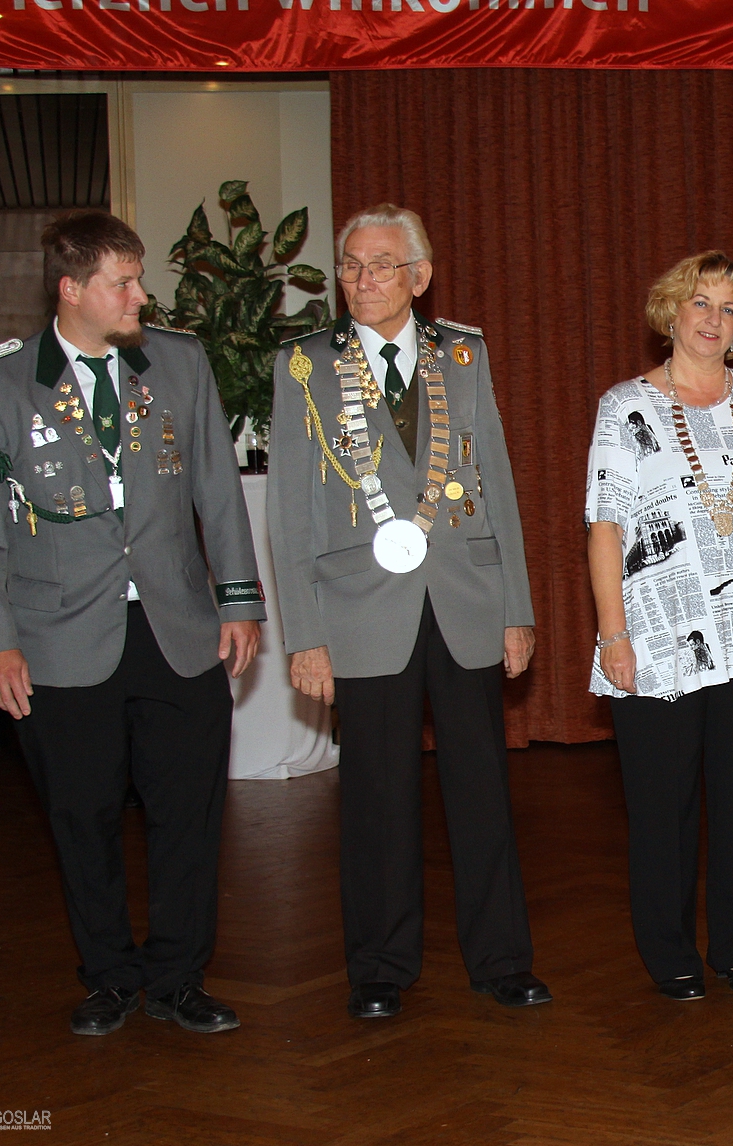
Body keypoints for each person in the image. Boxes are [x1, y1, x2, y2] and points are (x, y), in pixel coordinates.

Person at [0, 211, 266, 1035]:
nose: (139, 295)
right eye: (122, 282)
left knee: (187, 814)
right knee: (81, 815)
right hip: (56, 638)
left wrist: (238, 600)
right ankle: (109, 978)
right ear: (71, 288)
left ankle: (179, 977)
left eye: (138, 278)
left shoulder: (180, 362)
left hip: (176, 628)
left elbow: (217, 489)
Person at [266, 204, 549, 1019]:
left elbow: (496, 478)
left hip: (465, 598)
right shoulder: (304, 365)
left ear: (419, 277)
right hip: (360, 609)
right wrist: (305, 635)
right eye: (352, 264)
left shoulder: (463, 353)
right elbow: (289, 511)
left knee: (481, 789)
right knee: (377, 795)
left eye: (381, 264)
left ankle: (502, 960)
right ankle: (380, 968)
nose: (362, 279)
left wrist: (516, 607)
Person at [586, 251, 733, 1001]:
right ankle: (671, 954)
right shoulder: (624, 406)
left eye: (730, 309)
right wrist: (613, 635)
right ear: (672, 310)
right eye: (701, 303)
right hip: (658, 633)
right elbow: (604, 528)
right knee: (663, 807)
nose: (714, 319)